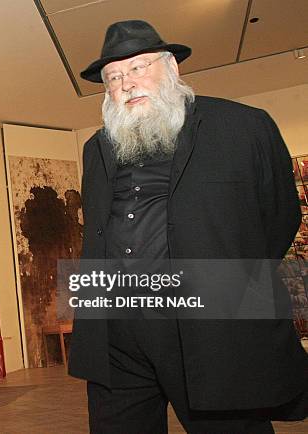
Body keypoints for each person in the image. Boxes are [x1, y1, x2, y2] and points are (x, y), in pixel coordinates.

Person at [67, 20, 308, 433]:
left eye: (139, 67)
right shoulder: (96, 148)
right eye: (113, 77)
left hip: (211, 325)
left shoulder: (242, 126)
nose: (126, 83)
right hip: (116, 328)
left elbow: (281, 215)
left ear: (173, 68)